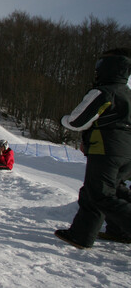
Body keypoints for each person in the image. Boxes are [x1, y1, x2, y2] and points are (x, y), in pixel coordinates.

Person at [55, 48, 131, 249]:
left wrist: (63, 120)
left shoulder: (104, 92)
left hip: (107, 149)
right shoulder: (127, 93)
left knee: (100, 194)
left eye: (100, 65)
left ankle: (91, 233)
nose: (96, 70)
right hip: (126, 151)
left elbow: (77, 120)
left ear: (109, 68)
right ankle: (89, 234)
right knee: (107, 189)